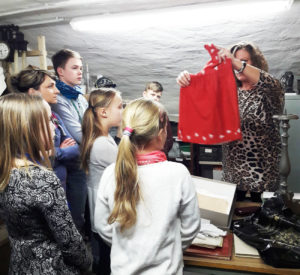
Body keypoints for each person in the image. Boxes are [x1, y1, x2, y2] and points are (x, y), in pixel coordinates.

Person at [94, 98, 200, 274]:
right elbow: (191, 228)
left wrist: (127, 246)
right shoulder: (178, 173)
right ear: (161, 133)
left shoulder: (110, 173)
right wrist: (167, 248)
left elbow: (103, 227)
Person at [177, 41, 284, 202]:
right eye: (235, 61)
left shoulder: (268, 92)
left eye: (244, 61)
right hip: (233, 176)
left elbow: (271, 83)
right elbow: (202, 93)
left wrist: (233, 61)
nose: (237, 66)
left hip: (263, 176)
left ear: (255, 63)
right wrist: (186, 80)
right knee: (232, 222)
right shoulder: (229, 92)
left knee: (262, 222)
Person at [0, 93, 91, 274]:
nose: (54, 126)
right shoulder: (42, 180)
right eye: (48, 120)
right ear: (28, 128)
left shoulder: (6, 170)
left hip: (20, 265)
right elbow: (70, 242)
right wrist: (87, 263)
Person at [7, 66, 79, 191]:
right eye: (50, 86)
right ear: (33, 93)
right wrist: (59, 152)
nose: (57, 91)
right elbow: (30, 158)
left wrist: (52, 153)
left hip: (60, 186)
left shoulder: (55, 116)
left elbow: (74, 149)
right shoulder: (19, 123)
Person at [81, 88, 123, 275]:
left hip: (101, 208)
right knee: (106, 263)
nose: (123, 111)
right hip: (104, 211)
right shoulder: (102, 144)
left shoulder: (103, 138)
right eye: (120, 107)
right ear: (103, 112)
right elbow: (125, 170)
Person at [51, 49, 88, 232]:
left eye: (80, 68)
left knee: (84, 212)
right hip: (73, 164)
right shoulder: (57, 98)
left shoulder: (80, 97)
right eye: (74, 68)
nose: (79, 72)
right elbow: (79, 134)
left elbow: (90, 126)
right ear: (60, 71)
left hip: (84, 158)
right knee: (74, 217)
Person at [143, 81, 174, 155]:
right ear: (144, 94)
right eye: (152, 94)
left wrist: (162, 151)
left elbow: (169, 139)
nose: (155, 98)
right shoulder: (136, 112)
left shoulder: (163, 115)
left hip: (158, 154)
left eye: (158, 96)